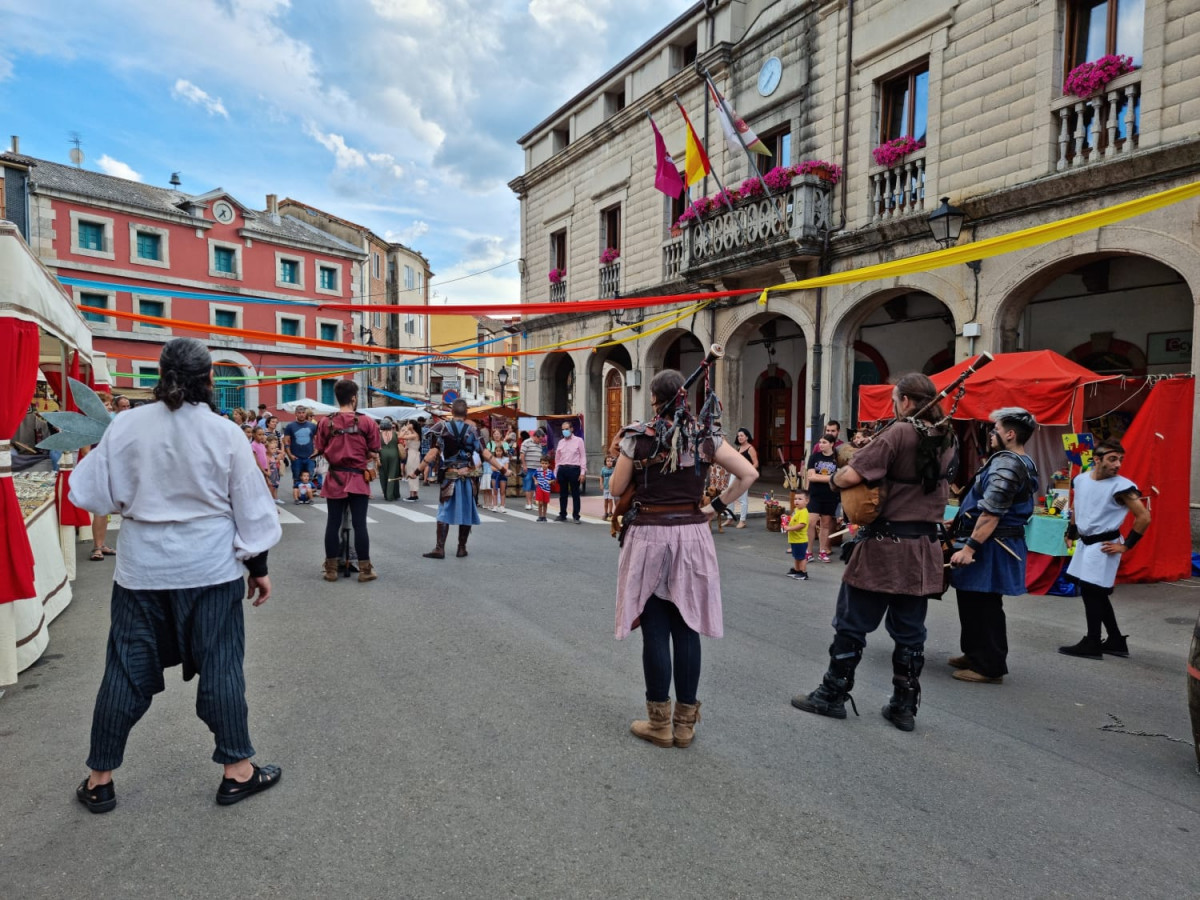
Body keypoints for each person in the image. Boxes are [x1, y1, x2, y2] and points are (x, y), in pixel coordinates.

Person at [68, 338, 282, 813]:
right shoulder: (223, 432)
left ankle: (99, 779)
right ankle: (237, 771)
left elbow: (87, 491)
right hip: (209, 567)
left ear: (159, 375)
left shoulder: (126, 424)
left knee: (124, 669)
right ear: (209, 380)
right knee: (222, 664)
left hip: (143, 569)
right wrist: (259, 568)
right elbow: (251, 507)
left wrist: (134, 499)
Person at [791, 373, 957, 733]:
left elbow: (851, 476)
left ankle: (832, 695)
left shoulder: (901, 432)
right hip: (922, 546)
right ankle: (904, 706)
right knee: (911, 632)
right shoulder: (947, 436)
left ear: (907, 402)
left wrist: (835, 479)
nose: (895, 407)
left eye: (896, 400)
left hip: (884, 543)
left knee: (852, 623)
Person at [610, 369, 758, 749]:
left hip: (649, 534)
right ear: (686, 400)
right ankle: (685, 725)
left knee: (656, 628)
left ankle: (658, 724)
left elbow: (615, 489)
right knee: (687, 627)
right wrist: (716, 508)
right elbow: (748, 474)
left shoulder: (637, 436)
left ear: (655, 400)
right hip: (693, 534)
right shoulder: (706, 436)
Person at [947, 408, 1039, 684]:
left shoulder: (1008, 464)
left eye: (995, 429)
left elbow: (991, 513)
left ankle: (989, 665)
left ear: (1010, 434)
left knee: (985, 603)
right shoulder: (1006, 461)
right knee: (971, 598)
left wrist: (970, 548)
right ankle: (974, 653)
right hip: (986, 542)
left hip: (992, 545)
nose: (990, 435)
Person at [1058, 439, 1151, 659]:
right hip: (1085, 543)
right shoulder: (1080, 480)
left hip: (1104, 546)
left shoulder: (1122, 486)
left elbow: (1144, 517)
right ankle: (1116, 640)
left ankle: (1092, 643)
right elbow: (1077, 508)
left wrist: (1125, 546)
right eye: (1112, 459)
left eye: (1120, 459)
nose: (1118, 464)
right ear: (1097, 460)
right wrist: (1071, 533)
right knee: (1095, 592)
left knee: (1092, 592)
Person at [417, 398, 507, 559]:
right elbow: (485, 453)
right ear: (466, 414)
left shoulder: (443, 427)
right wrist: (502, 468)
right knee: (467, 511)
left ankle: (440, 548)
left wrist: (417, 470)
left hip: (450, 476)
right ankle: (461, 548)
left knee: (444, 512)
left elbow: (432, 453)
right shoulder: (473, 430)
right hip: (467, 477)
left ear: (452, 412)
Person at [314, 380, 382, 583]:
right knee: (360, 525)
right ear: (354, 398)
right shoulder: (367, 422)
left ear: (337, 397)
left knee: (332, 524)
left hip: (335, 478)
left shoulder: (326, 422)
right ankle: (365, 570)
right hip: (358, 478)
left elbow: (319, 447)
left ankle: (331, 570)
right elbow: (374, 448)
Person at [806, 435, 840, 562]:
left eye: (824, 442)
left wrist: (819, 477)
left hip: (830, 495)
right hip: (814, 494)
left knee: (825, 524)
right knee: (811, 523)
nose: (820, 445)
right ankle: (808, 551)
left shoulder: (837, 459)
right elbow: (811, 477)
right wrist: (831, 477)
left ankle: (822, 551)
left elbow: (840, 477)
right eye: (820, 442)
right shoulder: (814, 457)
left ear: (832, 444)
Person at [554, 421, 586, 523]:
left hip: (574, 469)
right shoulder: (561, 442)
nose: (565, 431)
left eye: (567, 429)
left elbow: (583, 457)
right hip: (562, 469)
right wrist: (555, 473)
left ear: (572, 429)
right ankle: (562, 514)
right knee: (562, 494)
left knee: (575, 493)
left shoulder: (579, 441)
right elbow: (557, 459)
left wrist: (582, 472)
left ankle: (576, 516)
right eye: (563, 429)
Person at [283, 406, 319, 487]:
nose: (301, 415)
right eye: (299, 413)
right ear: (296, 414)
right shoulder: (290, 426)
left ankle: (307, 496)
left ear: (306, 414)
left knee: (309, 478)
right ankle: (298, 496)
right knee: (296, 478)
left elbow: (318, 440)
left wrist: (316, 452)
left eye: (303, 413)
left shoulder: (312, 426)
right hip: (296, 457)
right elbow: (286, 441)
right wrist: (289, 455)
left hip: (310, 457)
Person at [731, 428, 758, 528]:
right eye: (738, 436)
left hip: (744, 475)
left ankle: (742, 521)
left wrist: (747, 472)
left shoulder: (750, 448)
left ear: (747, 437)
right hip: (735, 473)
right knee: (729, 494)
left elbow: (756, 463)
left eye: (742, 435)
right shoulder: (738, 448)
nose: (740, 437)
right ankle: (730, 518)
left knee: (743, 499)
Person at [783, 489, 811, 580]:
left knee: (801, 557)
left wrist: (789, 528)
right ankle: (796, 570)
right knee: (796, 556)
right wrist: (786, 519)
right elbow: (793, 520)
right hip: (794, 539)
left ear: (807, 501)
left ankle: (803, 572)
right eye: (795, 499)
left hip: (800, 539)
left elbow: (801, 525)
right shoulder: (796, 510)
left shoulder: (803, 512)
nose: (796, 501)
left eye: (800, 499)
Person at [377, 417, 402, 501]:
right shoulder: (395, 434)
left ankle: (385, 493)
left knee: (383, 474)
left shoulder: (378, 435)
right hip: (394, 455)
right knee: (392, 474)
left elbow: (376, 447)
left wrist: (377, 458)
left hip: (382, 455)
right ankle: (390, 495)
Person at [520, 428, 544, 510]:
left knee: (533, 486)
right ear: (535, 436)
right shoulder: (526, 442)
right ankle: (528, 503)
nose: (540, 441)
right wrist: (524, 465)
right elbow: (522, 454)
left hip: (536, 468)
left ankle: (531, 502)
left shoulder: (539, 445)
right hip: (528, 468)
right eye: (539, 439)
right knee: (527, 485)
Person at [398, 419, 422, 501]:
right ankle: (414, 494)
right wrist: (405, 430)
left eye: (409, 424)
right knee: (413, 473)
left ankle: (412, 495)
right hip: (413, 454)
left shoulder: (414, 435)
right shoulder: (413, 433)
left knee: (411, 473)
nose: (407, 425)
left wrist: (405, 429)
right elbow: (401, 435)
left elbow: (400, 437)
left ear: (412, 425)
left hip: (413, 455)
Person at [491, 440, 510, 511]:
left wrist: (498, 468)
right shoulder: (493, 459)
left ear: (502, 451)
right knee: (495, 491)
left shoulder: (505, 459)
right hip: (495, 475)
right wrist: (500, 468)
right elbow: (492, 468)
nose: (498, 452)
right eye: (497, 451)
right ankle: (495, 506)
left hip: (502, 475)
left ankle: (502, 506)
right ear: (495, 451)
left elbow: (506, 468)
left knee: (502, 491)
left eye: (500, 451)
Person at [265, 435, 283, 501]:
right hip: (271, 476)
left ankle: (274, 500)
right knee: (269, 489)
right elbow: (267, 469)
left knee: (274, 488)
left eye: (274, 448)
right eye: (272, 449)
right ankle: (270, 501)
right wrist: (268, 479)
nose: (274, 450)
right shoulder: (267, 457)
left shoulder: (273, 456)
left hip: (275, 475)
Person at [534, 457, 553, 522]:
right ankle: (540, 516)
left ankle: (544, 516)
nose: (544, 465)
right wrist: (535, 481)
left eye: (546, 463)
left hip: (546, 489)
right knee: (540, 503)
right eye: (542, 463)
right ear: (540, 463)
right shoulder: (538, 470)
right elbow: (533, 476)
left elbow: (554, 479)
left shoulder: (550, 472)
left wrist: (551, 481)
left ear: (548, 464)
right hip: (540, 488)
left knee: (545, 503)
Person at [601, 455, 616, 519]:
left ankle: (610, 512)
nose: (609, 462)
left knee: (610, 499)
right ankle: (605, 512)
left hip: (611, 487)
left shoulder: (614, 469)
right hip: (605, 487)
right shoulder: (603, 469)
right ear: (605, 462)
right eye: (608, 461)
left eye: (611, 461)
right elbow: (601, 477)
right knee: (606, 500)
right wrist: (601, 484)